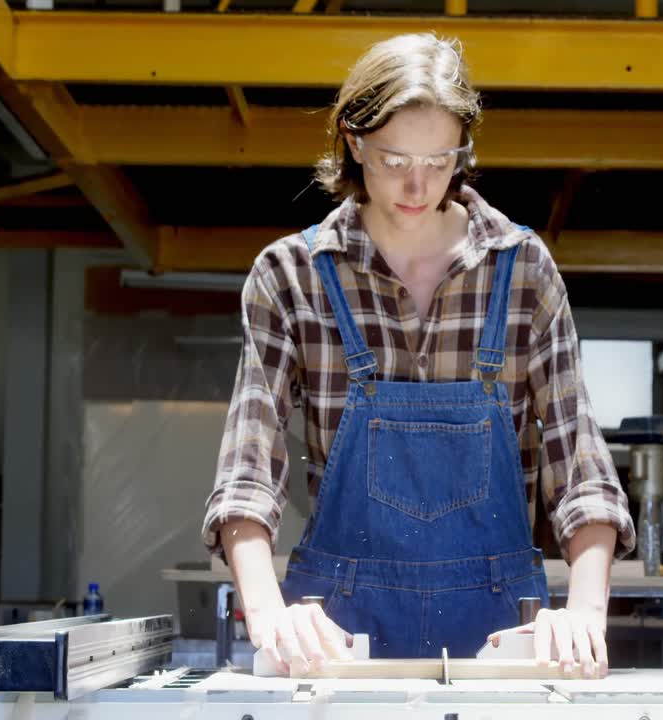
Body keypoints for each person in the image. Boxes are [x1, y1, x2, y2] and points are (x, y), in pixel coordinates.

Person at [202, 33, 635, 679]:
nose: (417, 182)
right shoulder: (292, 274)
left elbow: (577, 465)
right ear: (353, 140)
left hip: (502, 632)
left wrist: (585, 612)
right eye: (395, 157)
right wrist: (268, 614)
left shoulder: (523, 271)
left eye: (440, 160)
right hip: (338, 637)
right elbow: (248, 470)